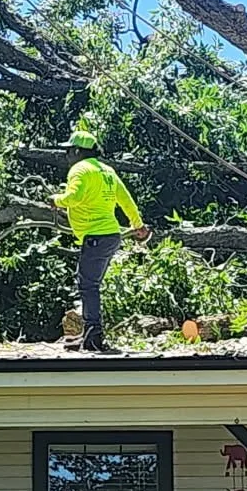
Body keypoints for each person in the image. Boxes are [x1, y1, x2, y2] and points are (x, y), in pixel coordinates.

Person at [51, 127, 149, 352]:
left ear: (78, 151)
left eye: (69, 150)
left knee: (88, 286)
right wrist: (138, 225)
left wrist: (56, 199)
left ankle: (94, 337)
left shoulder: (80, 169)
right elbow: (126, 200)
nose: (67, 155)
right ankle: (89, 333)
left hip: (96, 236)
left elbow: (74, 198)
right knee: (90, 284)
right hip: (110, 236)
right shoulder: (107, 171)